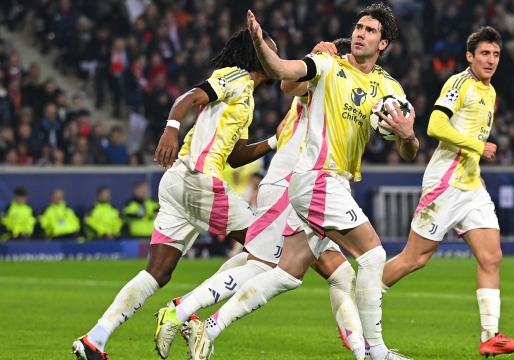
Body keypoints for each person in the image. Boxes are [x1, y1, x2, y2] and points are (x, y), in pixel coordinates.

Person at [185, 5, 419, 360]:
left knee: (286, 274)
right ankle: (376, 351)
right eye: (358, 27)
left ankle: (209, 328)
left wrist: (407, 136)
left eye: (370, 30)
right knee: (373, 256)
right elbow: (283, 72)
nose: (360, 33)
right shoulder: (328, 64)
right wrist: (260, 43)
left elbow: (408, 151)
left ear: (383, 42)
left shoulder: (390, 88)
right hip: (316, 178)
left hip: (333, 182)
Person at [72, 28, 280, 360]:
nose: (276, 56)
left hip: (178, 182)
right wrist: (171, 129)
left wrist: (273, 142)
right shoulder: (235, 76)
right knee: (268, 251)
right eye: (270, 49)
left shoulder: (248, 99)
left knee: (158, 273)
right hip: (199, 179)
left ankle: (95, 338)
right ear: (256, 54)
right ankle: (183, 311)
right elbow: (189, 97)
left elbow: (237, 155)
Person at [153, 38, 367, 359]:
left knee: (338, 273)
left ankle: (367, 351)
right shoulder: (325, 76)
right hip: (290, 185)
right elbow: (288, 83)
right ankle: (186, 316)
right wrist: (316, 55)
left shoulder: (349, 92)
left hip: (312, 187)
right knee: (270, 269)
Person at [380, 27, 514, 357]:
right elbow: (435, 126)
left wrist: (475, 169)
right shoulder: (459, 84)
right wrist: (477, 146)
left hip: (471, 185)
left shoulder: (490, 92)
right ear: (470, 56)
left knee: (492, 257)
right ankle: (356, 302)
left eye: (495, 54)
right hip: (445, 185)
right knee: (415, 259)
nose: (491, 60)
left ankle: (491, 336)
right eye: (485, 54)